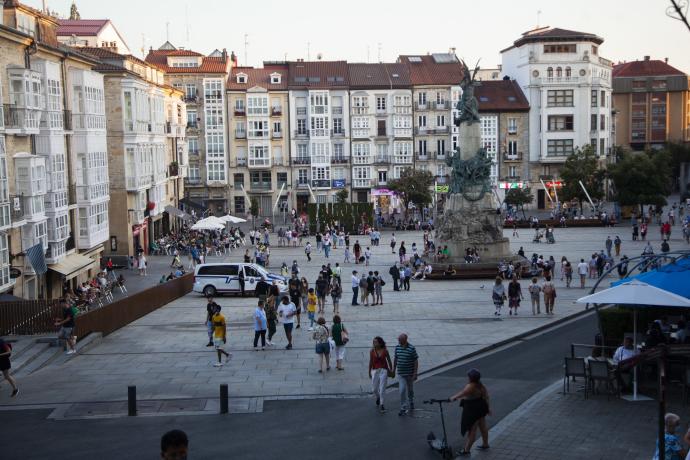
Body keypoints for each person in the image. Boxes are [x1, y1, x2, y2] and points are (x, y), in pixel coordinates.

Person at [449, 368, 491, 456]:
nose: (467, 377)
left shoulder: (471, 386)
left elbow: (463, 393)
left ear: (471, 378)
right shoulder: (480, 385)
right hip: (481, 407)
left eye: (468, 376)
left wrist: (452, 398)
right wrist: (488, 408)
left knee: (472, 430)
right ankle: (485, 444)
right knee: (483, 427)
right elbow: (486, 396)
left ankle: (466, 450)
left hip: (473, 410)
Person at [394, 333, 418, 416]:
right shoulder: (397, 347)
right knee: (402, 390)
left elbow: (415, 360)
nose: (398, 341)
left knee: (410, 389)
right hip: (401, 373)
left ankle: (411, 401)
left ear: (405, 340)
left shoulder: (411, 348)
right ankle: (403, 407)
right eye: (398, 339)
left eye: (400, 339)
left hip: (410, 374)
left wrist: (415, 373)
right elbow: (396, 358)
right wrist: (393, 369)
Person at [369, 336, 393, 413]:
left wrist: (391, 370)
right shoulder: (372, 351)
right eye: (373, 342)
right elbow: (371, 361)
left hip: (383, 370)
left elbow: (389, 361)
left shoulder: (385, 351)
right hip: (375, 371)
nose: (374, 343)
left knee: (382, 388)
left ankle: (382, 405)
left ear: (380, 343)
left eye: (376, 342)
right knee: (374, 389)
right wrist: (369, 371)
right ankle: (378, 397)